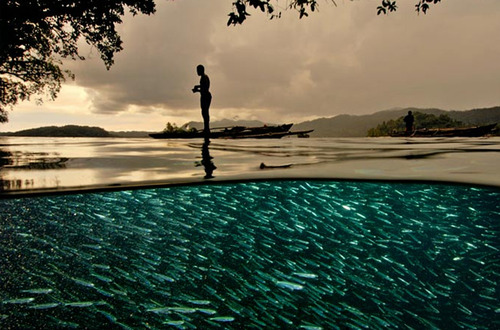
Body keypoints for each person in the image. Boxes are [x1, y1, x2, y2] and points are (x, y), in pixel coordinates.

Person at [192, 65, 212, 138]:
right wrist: (197, 86)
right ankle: (206, 129)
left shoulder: (204, 77)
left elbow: (205, 89)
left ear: (201, 70)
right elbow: (203, 86)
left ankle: (207, 129)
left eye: (198, 70)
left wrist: (196, 90)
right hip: (204, 96)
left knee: (205, 112)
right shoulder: (203, 77)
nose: (197, 72)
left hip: (206, 96)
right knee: (204, 112)